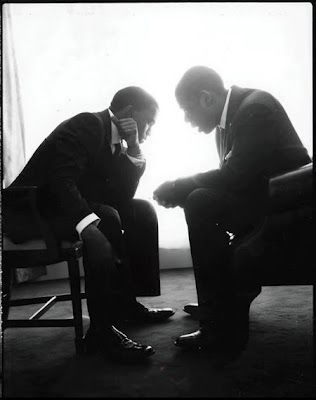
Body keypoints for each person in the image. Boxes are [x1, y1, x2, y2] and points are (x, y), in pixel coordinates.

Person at [3, 86, 175, 362]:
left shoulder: (115, 140)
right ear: (130, 112)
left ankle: (126, 306)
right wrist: (87, 227)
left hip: (57, 208)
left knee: (140, 210)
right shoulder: (89, 124)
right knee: (106, 218)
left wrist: (134, 146)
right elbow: (61, 182)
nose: (151, 129)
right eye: (150, 121)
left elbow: (121, 196)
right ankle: (101, 332)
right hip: (31, 211)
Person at [153, 66, 311, 355]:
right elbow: (235, 178)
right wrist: (182, 190)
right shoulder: (234, 116)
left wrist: (178, 187)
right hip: (267, 201)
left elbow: (235, 176)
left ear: (206, 98)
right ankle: (216, 303)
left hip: (290, 210)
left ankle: (218, 325)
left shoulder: (255, 109)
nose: (188, 120)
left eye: (187, 111)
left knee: (200, 201)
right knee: (200, 197)